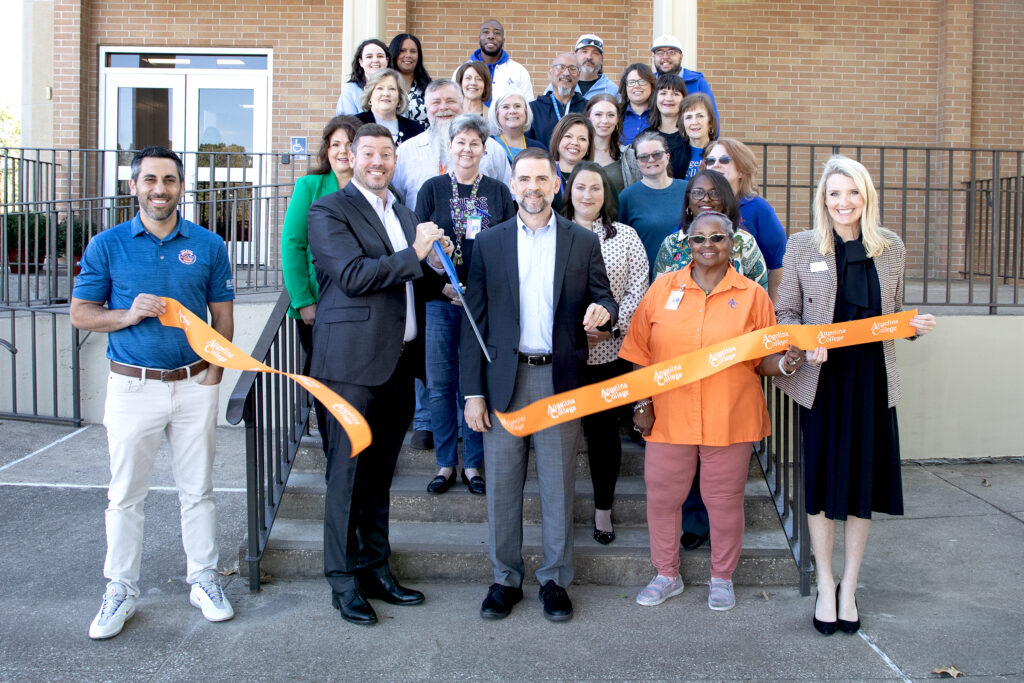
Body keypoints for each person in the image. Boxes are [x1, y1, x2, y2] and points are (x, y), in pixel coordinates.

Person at [70, 146, 236, 639]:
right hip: (132, 385)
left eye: (168, 180)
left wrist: (213, 372)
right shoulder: (108, 244)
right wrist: (126, 314)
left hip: (192, 385)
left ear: (182, 187)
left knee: (198, 491)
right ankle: (120, 589)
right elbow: (81, 312)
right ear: (133, 186)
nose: (159, 188)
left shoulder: (208, 244)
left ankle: (204, 578)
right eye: (149, 180)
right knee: (124, 495)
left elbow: (222, 314)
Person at [773, 155, 936, 635]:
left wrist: (914, 328)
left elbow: (895, 316)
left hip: (871, 382)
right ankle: (825, 583)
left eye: (853, 193)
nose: (844, 202)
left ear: (867, 197)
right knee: (823, 487)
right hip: (823, 383)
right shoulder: (804, 246)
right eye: (834, 194)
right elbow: (785, 315)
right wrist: (809, 339)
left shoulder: (891, 248)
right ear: (823, 199)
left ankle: (850, 584)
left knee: (861, 487)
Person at [306, 123, 453, 627]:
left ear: (395, 159)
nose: (377, 162)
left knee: (379, 479)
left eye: (385, 154)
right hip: (348, 368)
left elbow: (410, 284)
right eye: (367, 153)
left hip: (399, 365)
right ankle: (342, 581)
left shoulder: (405, 212)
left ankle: (376, 569)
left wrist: (439, 274)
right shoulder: (329, 210)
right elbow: (353, 276)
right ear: (350, 157)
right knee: (346, 477)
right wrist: (414, 255)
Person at [461, 148, 617, 622]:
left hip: (560, 379)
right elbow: (475, 323)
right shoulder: (488, 243)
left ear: (556, 185)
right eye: (523, 179)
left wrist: (604, 312)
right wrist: (473, 393)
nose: (532, 187)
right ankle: (504, 580)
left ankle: (553, 580)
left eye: (541, 179)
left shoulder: (582, 240)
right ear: (512, 186)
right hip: (504, 381)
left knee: (558, 487)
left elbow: (603, 295)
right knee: (503, 487)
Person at [620, 210, 802, 611]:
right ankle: (666, 574)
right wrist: (642, 403)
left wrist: (787, 363)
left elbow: (765, 359)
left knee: (723, 500)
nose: (707, 246)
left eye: (717, 238)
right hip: (669, 414)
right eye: (699, 239)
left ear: (732, 244)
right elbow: (639, 351)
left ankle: (722, 578)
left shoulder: (754, 296)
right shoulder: (662, 288)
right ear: (687, 244)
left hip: (729, 413)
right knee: (663, 498)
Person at [414, 113, 516, 495]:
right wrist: (442, 287)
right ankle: (445, 463)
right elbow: (417, 248)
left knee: (475, 385)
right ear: (450, 147)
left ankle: (473, 464)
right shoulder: (432, 189)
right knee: (441, 384)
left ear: (485, 149)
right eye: (461, 142)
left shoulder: (498, 192)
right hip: (441, 302)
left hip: (482, 305)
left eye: (475, 143)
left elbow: (508, 248)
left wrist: (481, 291)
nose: (468, 149)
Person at [561, 161, 648, 545]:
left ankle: (603, 510)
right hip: (563, 355)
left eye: (596, 188)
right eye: (580, 187)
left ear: (606, 194)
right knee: (560, 436)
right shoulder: (553, 232)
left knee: (603, 437)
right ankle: (558, 512)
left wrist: (608, 327)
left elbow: (638, 291)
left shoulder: (625, 237)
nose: (587, 195)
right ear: (569, 191)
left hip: (609, 355)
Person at [281, 115, 362, 457]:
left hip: (362, 306)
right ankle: (334, 453)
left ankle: (358, 448)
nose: (343, 151)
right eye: (335, 144)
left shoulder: (375, 188)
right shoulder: (310, 187)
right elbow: (292, 243)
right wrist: (303, 301)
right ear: (326, 150)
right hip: (320, 305)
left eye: (349, 143)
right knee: (326, 385)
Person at [394, 79, 512, 213]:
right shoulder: (406, 152)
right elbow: (397, 202)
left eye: (450, 101)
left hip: (480, 232)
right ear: (426, 108)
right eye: (436, 102)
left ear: (463, 104)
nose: (443, 107)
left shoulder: (492, 149)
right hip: (420, 231)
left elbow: (507, 197)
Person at [653, 170, 768, 292]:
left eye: (715, 193)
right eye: (698, 193)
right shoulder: (672, 244)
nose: (706, 199)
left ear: (725, 200)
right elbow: (658, 294)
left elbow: (760, 294)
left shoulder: (744, 242)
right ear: (688, 201)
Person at [702, 138, 788, 300]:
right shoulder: (698, 206)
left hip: (746, 303)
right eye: (711, 160)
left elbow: (778, 264)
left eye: (725, 160)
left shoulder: (758, 208)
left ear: (741, 170)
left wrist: (772, 308)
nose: (716, 165)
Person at [617, 131, 688, 280]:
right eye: (643, 157)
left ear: (667, 157)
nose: (651, 160)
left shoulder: (688, 190)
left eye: (657, 154)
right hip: (645, 282)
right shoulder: (627, 197)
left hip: (685, 280)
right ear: (636, 162)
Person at [459, 19, 534, 104]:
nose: (491, 36)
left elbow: (528, 106)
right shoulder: (463, 70)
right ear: (479, 38)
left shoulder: (519, 71)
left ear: (503, 40)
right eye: (486, 32)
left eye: (497, 33)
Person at [650, 34, 719, 123]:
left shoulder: (697, 82)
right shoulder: (649, 83)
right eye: (660, 52)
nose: (665, 57)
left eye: (671, 52)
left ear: (681, 56)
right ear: (654, 57)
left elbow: (712, 121)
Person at [529, 52, 588, 151]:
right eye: (561, 67)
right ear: (550, 72)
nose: (566, 73)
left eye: (572, 69)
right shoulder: (533, 109)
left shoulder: (588, 108)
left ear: (579, 75)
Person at [586, 93, 640, 196]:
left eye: (611, 115)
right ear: (588, 118)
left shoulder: (628, 156)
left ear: (617, 120)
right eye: (598, 114)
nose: (604, 121)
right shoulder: (577, 153)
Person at [355, 68, 425, 147]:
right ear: (370, 96)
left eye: (392, 89)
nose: (386, 93)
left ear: (400, 97)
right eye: (380, 88)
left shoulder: (415, 130)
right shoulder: (354, 125)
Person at [549, 113, 594, 213]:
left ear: (588, 146)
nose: (575, 143)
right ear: (558, 140)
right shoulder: (545, 175)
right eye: (568, 136)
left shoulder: (597, 177)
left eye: (582, 139)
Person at [488, 91, 548, 165]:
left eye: (517, 106)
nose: (512, 111)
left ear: (526, 111)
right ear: (496, 113)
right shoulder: (487, 146)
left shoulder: (539, 149)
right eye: (505, 107)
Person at [670, 93, 718, 181]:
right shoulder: (673, 155)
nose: (694, 122)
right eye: (688, 117)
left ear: (710, 121)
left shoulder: (720, 152)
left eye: (700, 116)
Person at [336, 38, 391, 116]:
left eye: (380, 56)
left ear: (387, 61)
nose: (375, 60)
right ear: (361, 62)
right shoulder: (350, 90)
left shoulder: (396, 88)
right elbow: (346, 124)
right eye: (369, 56)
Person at [389, 33, 432, 129]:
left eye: (413, 51)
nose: (408, 55)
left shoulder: (429, 87)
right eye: (402, 51)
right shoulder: (384, 86)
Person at [646, 74, 688, 167]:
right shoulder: (646, 138)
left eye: (675, 94)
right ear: (655, 98)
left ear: (684, 99)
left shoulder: (691, 137)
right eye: (663, 93)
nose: (669, 98)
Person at [618, 63, 656, 145]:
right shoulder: (616, 115)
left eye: (642, 81)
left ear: (651, 85)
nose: (636, 86)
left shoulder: (661, 114)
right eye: (631, 82)